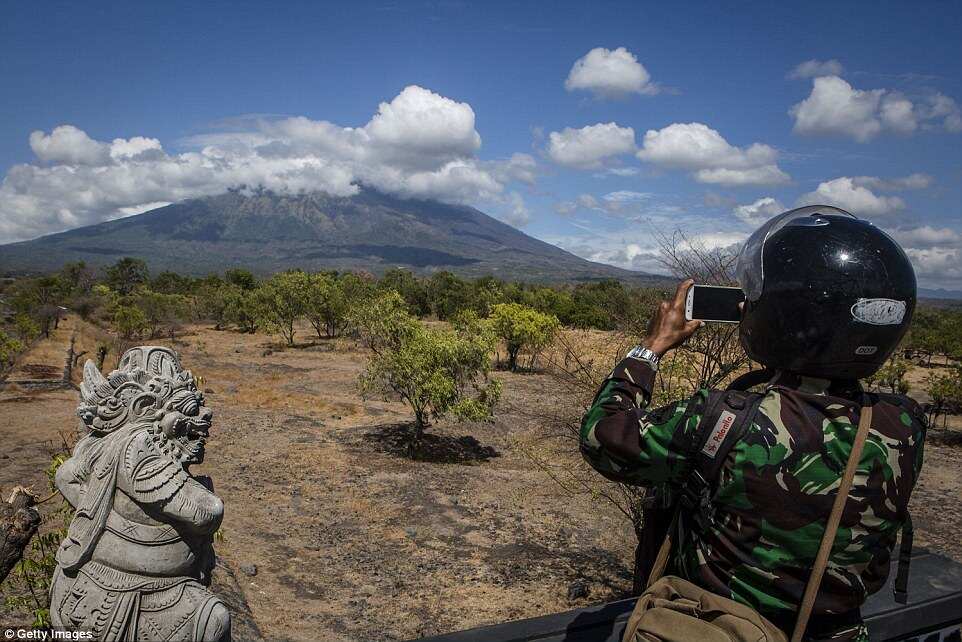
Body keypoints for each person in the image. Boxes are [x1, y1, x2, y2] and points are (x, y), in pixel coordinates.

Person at [580, 206, 925, 641]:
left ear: (784, 316)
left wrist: (650, 348)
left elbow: (603, 436)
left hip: (717, 630)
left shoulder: (729, 418)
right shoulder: (905, 425)